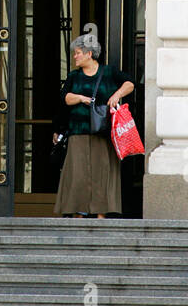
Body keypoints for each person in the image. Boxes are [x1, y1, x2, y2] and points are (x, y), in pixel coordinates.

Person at [52, 28, 134, 218]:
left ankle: (100, 213)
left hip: (103, 132)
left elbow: (129, 83)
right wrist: (80, 98)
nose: (75, 57)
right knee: (77, 174)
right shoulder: (74, 76)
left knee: (101, 173)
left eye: (78, 53)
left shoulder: (108, 72)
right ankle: (79, 211)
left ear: (89, 54)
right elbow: (65, 99)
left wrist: (116, 95)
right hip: (78, 131)